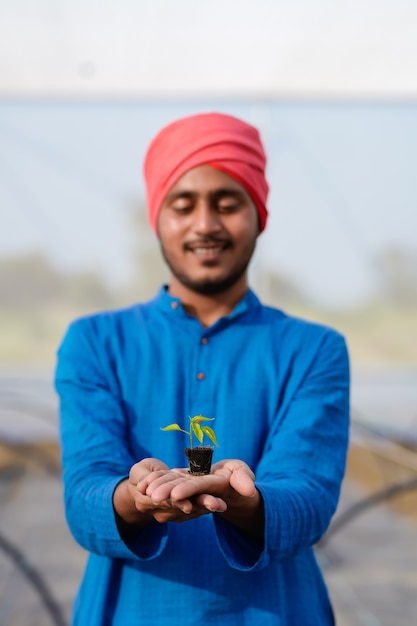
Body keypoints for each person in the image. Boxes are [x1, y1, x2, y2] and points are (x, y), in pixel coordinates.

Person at [55, 112, 350, 626]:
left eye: (228, 203)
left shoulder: (314, 349)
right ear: (157, 218)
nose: (206, 224)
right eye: (183, 204)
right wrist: (133, 497)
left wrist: (244, 501)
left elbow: (307, 495)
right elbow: (85, 496)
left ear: (259, 214)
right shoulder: (95, 343)